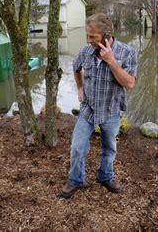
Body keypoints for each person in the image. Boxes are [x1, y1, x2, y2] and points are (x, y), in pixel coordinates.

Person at [59, 12, 138, 198]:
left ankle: (105, 176)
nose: (89, 40)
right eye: (88, 36)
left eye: (93, 36)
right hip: (88, 108)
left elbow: (129, 84)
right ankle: (75, 180)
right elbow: (76, 68)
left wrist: (111, 61)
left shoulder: (127, 53)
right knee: (77, 147)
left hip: (110, 110)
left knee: (109, 148)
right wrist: (79, 88)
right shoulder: (86, 51)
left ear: (107, 33)